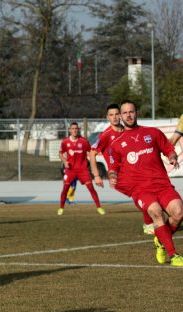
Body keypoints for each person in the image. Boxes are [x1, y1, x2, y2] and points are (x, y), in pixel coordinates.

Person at [108, 100, 183, 267]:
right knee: (157, 213)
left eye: (131, 112)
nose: (128, 115)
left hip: (162, 184)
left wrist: (172, 157)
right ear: (120, 116)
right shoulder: (116, 144)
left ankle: (161, 240)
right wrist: (112, 175)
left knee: (178, 213)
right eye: (125, 112)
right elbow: (113, 168)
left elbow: (169, 149)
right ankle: (174, 255)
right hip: (141, 190)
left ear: (137, 113)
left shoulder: (152, 133)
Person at [89, 104, 154, 234]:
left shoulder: (127, 131)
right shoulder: (105, 135)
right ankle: (149, 223)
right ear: (108, 117)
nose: (114, 117)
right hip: (119, 176)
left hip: (134, 172)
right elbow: (92, 153)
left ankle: (150, 223)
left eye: (117, 114)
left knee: (148, 194)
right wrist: (96, 175)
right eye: (111, 115)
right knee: (143, 194)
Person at [57, 122, 105, 216]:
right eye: (73, 128)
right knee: (65, 189)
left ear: (78, 130)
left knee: (91, 188)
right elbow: (60, 153)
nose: (75, 130)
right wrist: (65, 161)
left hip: (82, 170)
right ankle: (61, 208)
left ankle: (99, 207)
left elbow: (91, 152)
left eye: (76, 128)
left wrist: (92, 162)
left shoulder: (84, 142)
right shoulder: (65, 142)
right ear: (70, 130)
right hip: (70, 170)